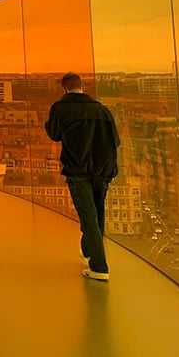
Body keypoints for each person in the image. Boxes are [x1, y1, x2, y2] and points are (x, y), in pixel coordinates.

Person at [45, 72, 120, 282]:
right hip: (103, 169)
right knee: (97, 213)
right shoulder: (102, 110)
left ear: (64, 88)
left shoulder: (61, 108)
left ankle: (99, 266)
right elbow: (116, 140)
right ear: (82, 87)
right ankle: (88, 252)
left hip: (78, 169)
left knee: (88, 216)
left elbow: (54, 134)